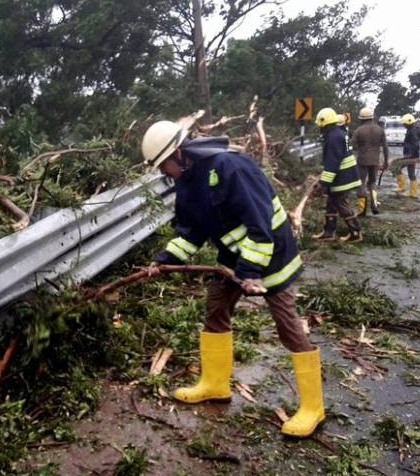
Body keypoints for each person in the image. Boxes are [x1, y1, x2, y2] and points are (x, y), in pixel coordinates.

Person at [141, 120, 325, 437]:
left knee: (287, 325)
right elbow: (191, 231)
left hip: (270, 252)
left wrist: (251, 272)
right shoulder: (187, 182)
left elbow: (260, 221)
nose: (165, 174)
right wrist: (164, 260)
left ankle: (313, 406)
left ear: (180, 154)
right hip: (232, 257)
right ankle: (214, 384)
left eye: (165, 166)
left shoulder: (230, 167)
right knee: (215, 308)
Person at [313, 108, 363, 242]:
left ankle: (356, 232)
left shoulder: (333, 138)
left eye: (321, 125)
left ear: (326, 123)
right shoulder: (339, 133)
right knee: (331, 202)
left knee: (341, 204)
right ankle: (329, 232)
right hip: (344, 174)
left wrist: (323, 183)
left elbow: (332, 163)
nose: (320, 128)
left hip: (343, 176)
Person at [350, 107, 389, 215]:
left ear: (361, 119)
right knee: (372, 182)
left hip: (362, 160)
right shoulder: (380, 130)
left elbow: (351, 146)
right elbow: (385, 147)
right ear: (372, 117)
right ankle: (374, 204)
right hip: (375, 160)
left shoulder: (358, 130)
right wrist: (386, 161)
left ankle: (362, 209)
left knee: (361, 183)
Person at [398, 114, 420, 198]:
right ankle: (408, 190)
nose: (403, 125)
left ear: (408, 123)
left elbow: (415, 145)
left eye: (404, 124)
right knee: (405, 170)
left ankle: (412, 192)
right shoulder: (412, 129)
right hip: (410, 155)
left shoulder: (412, 131)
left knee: (399, 168)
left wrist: (410, 156)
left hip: (411, 156)